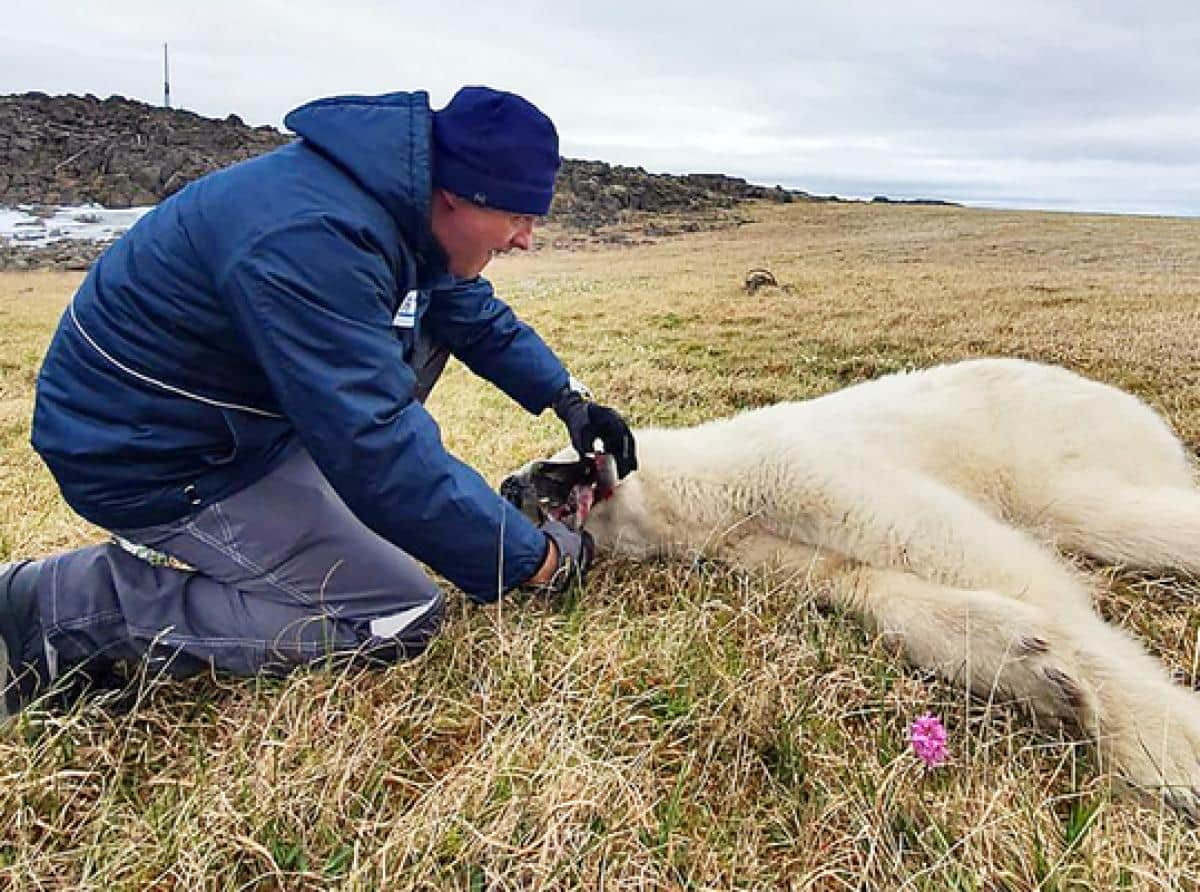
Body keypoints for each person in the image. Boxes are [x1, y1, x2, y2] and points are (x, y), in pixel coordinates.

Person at [0, 86, 637, 716]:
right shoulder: (316, 238)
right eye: (518, 217)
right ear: (456, 195)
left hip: (228, 425)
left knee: (391, 528)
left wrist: (569, 399)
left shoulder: (396, 209)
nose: (524, 239)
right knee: (395, 612)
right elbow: (376, 446)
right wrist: (536, 561)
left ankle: (255, 543)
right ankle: (64, 607)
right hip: (148, 452)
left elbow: (469, 314)